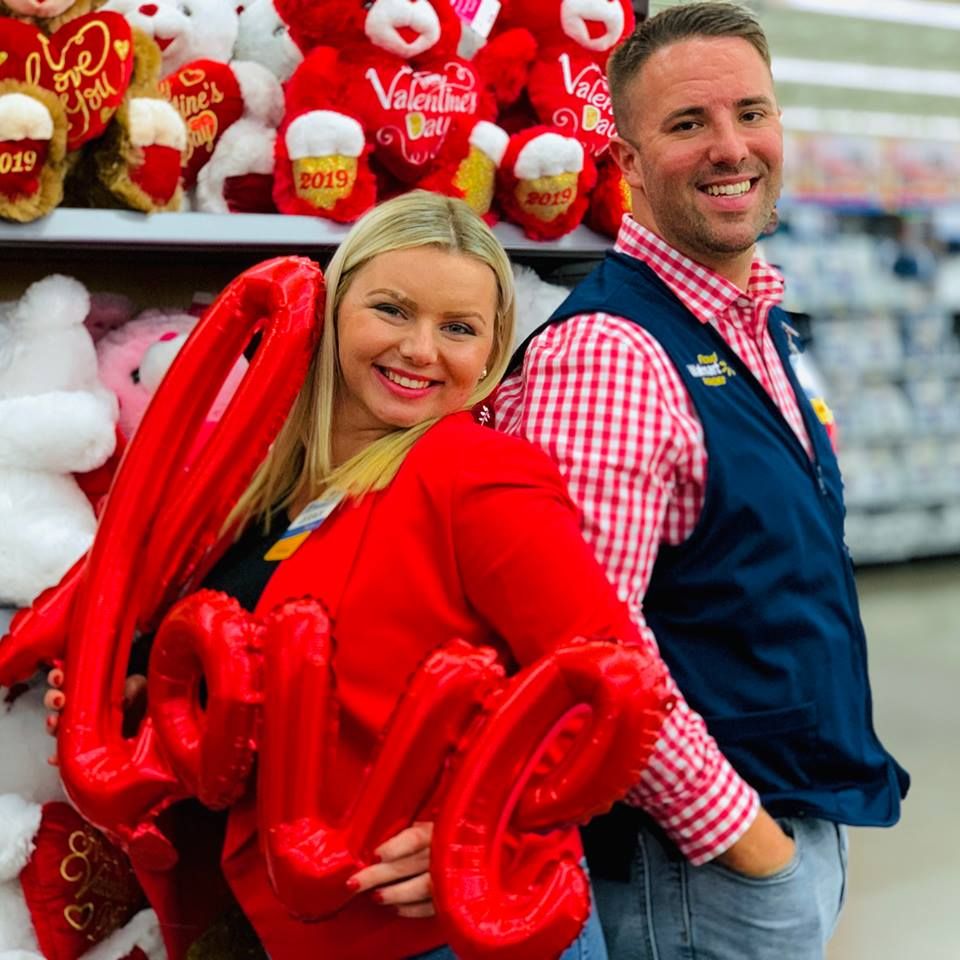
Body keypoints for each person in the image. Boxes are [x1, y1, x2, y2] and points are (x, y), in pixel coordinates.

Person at [46, 189, 673, 960]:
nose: (419, 349)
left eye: (459, 328)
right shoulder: (271, 486)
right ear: (336, 307)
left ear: (491, 350)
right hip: (299, 915)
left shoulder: (476, 473)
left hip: (445, 930)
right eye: (392, 309)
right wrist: (152, 708)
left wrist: (485, 824)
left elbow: (613, 687)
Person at [495, 4, 909, 959]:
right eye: (688, 124)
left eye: (751, 114)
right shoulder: (613, 352)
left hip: (776, 825)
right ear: (628, 161)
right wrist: (746, 842)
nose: (732, 148)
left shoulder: (753, 319)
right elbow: (585, 654)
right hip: (691, 865)